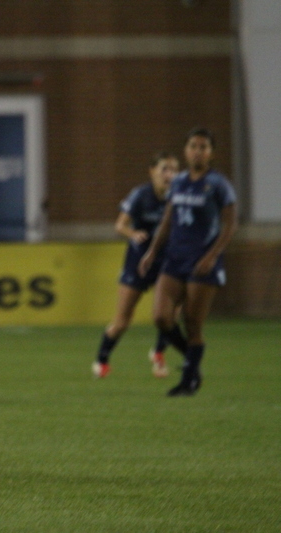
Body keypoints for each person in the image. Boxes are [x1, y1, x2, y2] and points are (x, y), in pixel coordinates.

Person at [139, 127, 237, 396]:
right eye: (193, 146)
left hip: (201, 262)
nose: (197, 151)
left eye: (203, 147)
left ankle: (189, 380)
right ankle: (192, 362)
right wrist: (152, 252)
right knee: (160, 317)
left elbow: (230, 224)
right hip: (175, 259)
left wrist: (212, 255)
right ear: (186, 150)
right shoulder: (179, 181)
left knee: (193, 324)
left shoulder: (218, 184)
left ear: (211, 153)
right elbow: (168, 220)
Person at [93, 152, 179, 379]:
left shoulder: (179, 196)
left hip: (165, 262)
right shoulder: (141, 195)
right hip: (138, 262)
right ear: (152, 171)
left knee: (172, 312)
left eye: (173, 170)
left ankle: (158, 353)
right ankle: (102, 360)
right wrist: (133, 233)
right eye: (164, 169)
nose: (169, 175)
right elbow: (119, 225)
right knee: (122, 320)